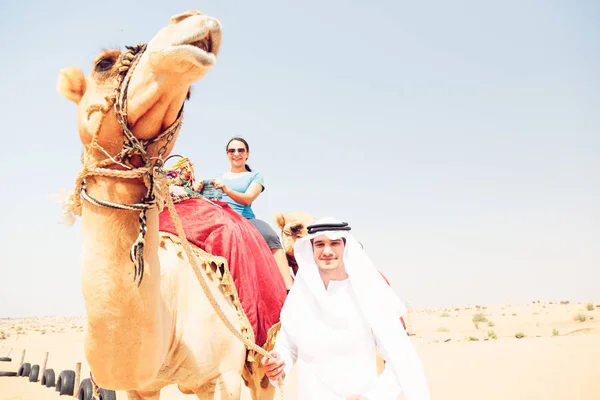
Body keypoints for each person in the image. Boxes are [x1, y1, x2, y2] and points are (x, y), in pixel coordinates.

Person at [261, 217, 430, 400]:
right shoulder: (300, 294)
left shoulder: (369, 293)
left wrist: (372, 397)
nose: (327, 251)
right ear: (311, 248)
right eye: (319, 244)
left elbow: (401, 360)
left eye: (334, 243)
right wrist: (278, 365)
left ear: (345, 246)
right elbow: (287, 346)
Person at [197, 136, 295, 291]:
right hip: (221, 218)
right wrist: (198, 189)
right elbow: (209, 201)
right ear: (227, 154)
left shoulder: (255, 176)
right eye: (232, 150)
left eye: (241, 150)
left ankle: (288, 287)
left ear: (247, 153)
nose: (236, 153)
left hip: (245, 218)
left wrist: (226, 189)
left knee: (270, 236)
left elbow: (247, 199)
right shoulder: (218, 179)